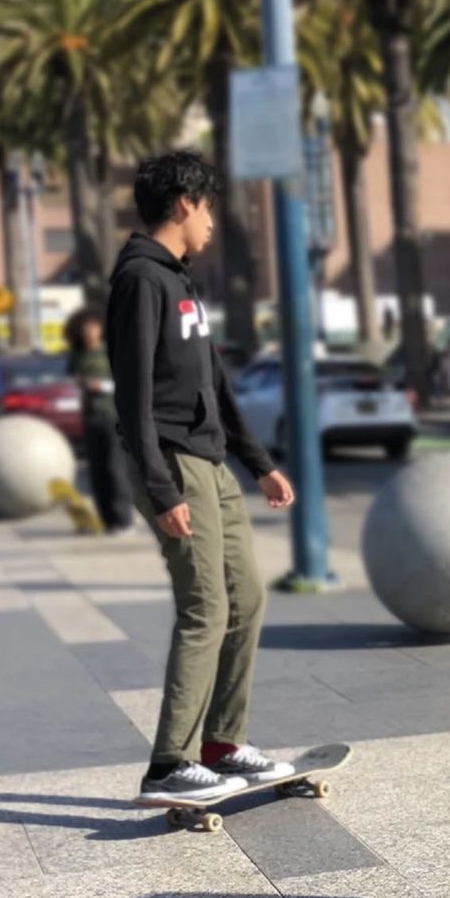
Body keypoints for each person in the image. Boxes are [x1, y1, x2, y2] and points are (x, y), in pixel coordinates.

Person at [106, 150, 300, 804]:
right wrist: (159, 488)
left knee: (246, 596)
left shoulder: (180, 280)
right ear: (185, 202)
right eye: (209, 206)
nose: (212, 220)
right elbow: (131, 394)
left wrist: (261, 464)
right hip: (172, 461)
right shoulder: (141, 279)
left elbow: (214, 384)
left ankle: (222, 744)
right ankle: (170, 762)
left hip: (211, 462)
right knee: (205, 609)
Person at [63, 308, 135, 534]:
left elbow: (127, 383)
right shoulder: (77, 356)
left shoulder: (110, 353)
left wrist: (101, 386)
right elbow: (72, 379)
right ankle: (106, 520)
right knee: (97, 471)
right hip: (90, 417)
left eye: (92, 327)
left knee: (115, 469)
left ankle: (123, 520)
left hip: (112, 416)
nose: (88, 332)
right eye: (84, 328)